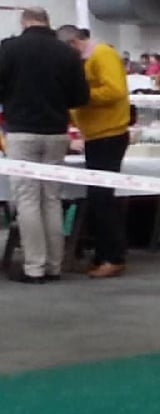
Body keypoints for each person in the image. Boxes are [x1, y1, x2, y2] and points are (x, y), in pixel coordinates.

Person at [0, 7, 89, 283]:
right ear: (48, 22)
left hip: (21, 131)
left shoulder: (8, 49)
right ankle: (54, 265)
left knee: (27, 199)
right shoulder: (66, 53)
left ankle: (34, 267)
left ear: (24, 22)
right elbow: (80, 97)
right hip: (56, 132)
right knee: (52, 199)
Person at [57, 24, 131, 278]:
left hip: (109, 134)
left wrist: (81, 96)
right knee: (98, 198)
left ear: (73, 44)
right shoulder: (88, 60)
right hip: (96, 135)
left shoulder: (102, 55)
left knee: (103, 198)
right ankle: (102, 254)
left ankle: (113, 257)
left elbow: (115, 90)